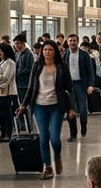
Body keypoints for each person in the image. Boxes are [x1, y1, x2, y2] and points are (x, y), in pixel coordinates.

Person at [17, 40, 76, 180]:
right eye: (45, 50)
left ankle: (57, 156)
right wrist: (23, 105)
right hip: (39, 106)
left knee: (55, 138)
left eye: (50, 50)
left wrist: (71, 108)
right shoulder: (37, 66)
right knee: (43, 138)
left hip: (56, 105)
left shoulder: (62, 66)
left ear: (55, 51)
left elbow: (69, 88)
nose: (47, 52)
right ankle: (48, 167)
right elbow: (31, 87)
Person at [62, 34, 96, 141]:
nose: (72, 43)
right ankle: (73, 134)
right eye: (70, 41)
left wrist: (90, 85)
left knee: (82, 109)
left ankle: (83, 126)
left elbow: (90, 71)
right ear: (67, 42)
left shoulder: (84, 55)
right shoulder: (65, 54)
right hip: (69, 86)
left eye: (74, 41)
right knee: (70, 110)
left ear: (77, 42)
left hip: (81, 85)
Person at [0, 43, 18, 142]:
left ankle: (9, 134)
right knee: (0, 113)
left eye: (1, 51)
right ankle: (3, 133)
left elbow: (6, 78)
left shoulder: (10, 63)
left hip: (8, 93)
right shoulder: (2, 62)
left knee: (7, 114)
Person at [13, 34, 35, 109]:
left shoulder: (29, 54)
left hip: (25, 84)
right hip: (19, 83)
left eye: (18, 43)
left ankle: (29, 120)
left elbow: (31, 69)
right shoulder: (18, 54)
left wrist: (19, 72)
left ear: (23, 43)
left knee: (25, 106)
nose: (16, 46)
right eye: (15, 44)